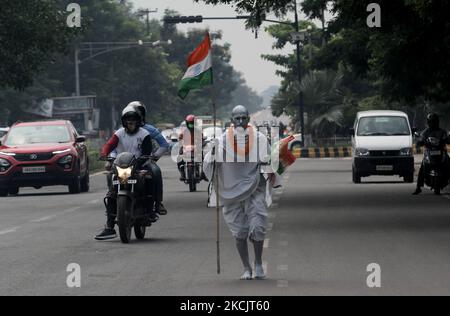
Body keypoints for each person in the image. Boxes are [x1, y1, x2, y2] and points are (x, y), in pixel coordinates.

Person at [203, 105, 274, 280]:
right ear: (232, 120)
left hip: (254, 188)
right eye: (237, 118)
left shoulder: (260, 139)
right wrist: (211, 156)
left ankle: (258, 263)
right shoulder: (221, 141)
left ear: (249, 119)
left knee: (257, 228)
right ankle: (246, 268)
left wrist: (270, 172)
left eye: (243, 118)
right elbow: (208, 165)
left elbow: (269, 161)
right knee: (240, 233)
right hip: (230, 193)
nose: (240, 121)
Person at [95, 106, 156, 241]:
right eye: (128, 121)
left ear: (138, 121)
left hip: (140, 166)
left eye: (134, 121)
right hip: (122, 166)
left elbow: (147, 152)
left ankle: (153, 207)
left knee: (153, 175)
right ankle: (109, 226)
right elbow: (108, 145)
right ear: (124, 122)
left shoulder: (144, 134)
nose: (131, 123)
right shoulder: (119, 133)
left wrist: (144, 160)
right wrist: (104, 154)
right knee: (112, 193)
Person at [127, 101, 169, 215]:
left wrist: (153, 158)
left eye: (135, 115)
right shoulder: (121, 132)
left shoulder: (149, 129)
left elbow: (164, 145)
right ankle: (113, 199)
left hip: (144, 161)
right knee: (112, 175)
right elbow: (113, 147)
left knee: (156, 171)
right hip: (126, 163)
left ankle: (158, 202)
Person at [413, 113, 450, 195]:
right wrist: (419, 142)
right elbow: (420, 138)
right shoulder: (425, 132)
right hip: (429, 152)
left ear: (437, 122)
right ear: (429, 122)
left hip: (441, 152)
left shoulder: (442, 132)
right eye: (431, 121)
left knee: (449, 161)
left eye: (434, 121)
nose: (433, 123)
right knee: (423, 165)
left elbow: (447, 138)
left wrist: (448, 139)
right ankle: (418, 187)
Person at [177, 114, 205, 181]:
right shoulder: (184, 131)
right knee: (179, 159)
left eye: (192, 123)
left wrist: (202, 141)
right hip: (186, 148)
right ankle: (182, 174)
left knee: (204, 160)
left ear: (195, 123)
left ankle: (203, 174)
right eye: (189, 123)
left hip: (196, 148)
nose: (191, 125)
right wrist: (180, 141)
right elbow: (179, 138)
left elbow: (202, 138)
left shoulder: (198, 131)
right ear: (187, 123)